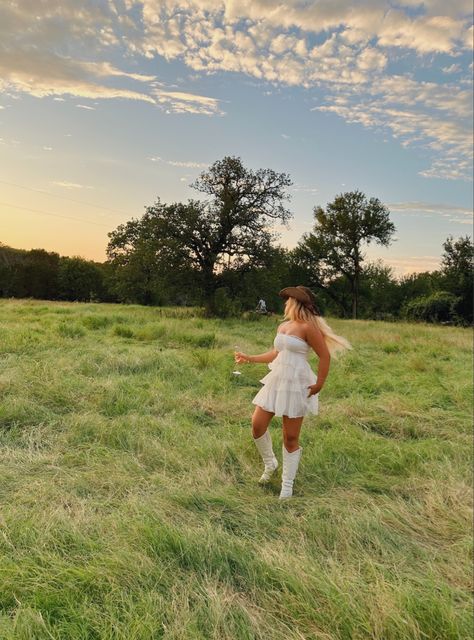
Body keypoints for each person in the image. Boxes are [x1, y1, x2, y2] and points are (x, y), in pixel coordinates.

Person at [235, 286, 351, 499]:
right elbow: (275, 353)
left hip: (297, 383)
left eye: (288, 300)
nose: (285, 303)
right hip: (276, 380)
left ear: (295, 303)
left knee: (290, 436)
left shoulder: (308, 328)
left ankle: (287, 485)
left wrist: (320, 383)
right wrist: (249, 357)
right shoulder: (283, 326)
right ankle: (270, 464)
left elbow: (324, 356)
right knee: (257, 425)